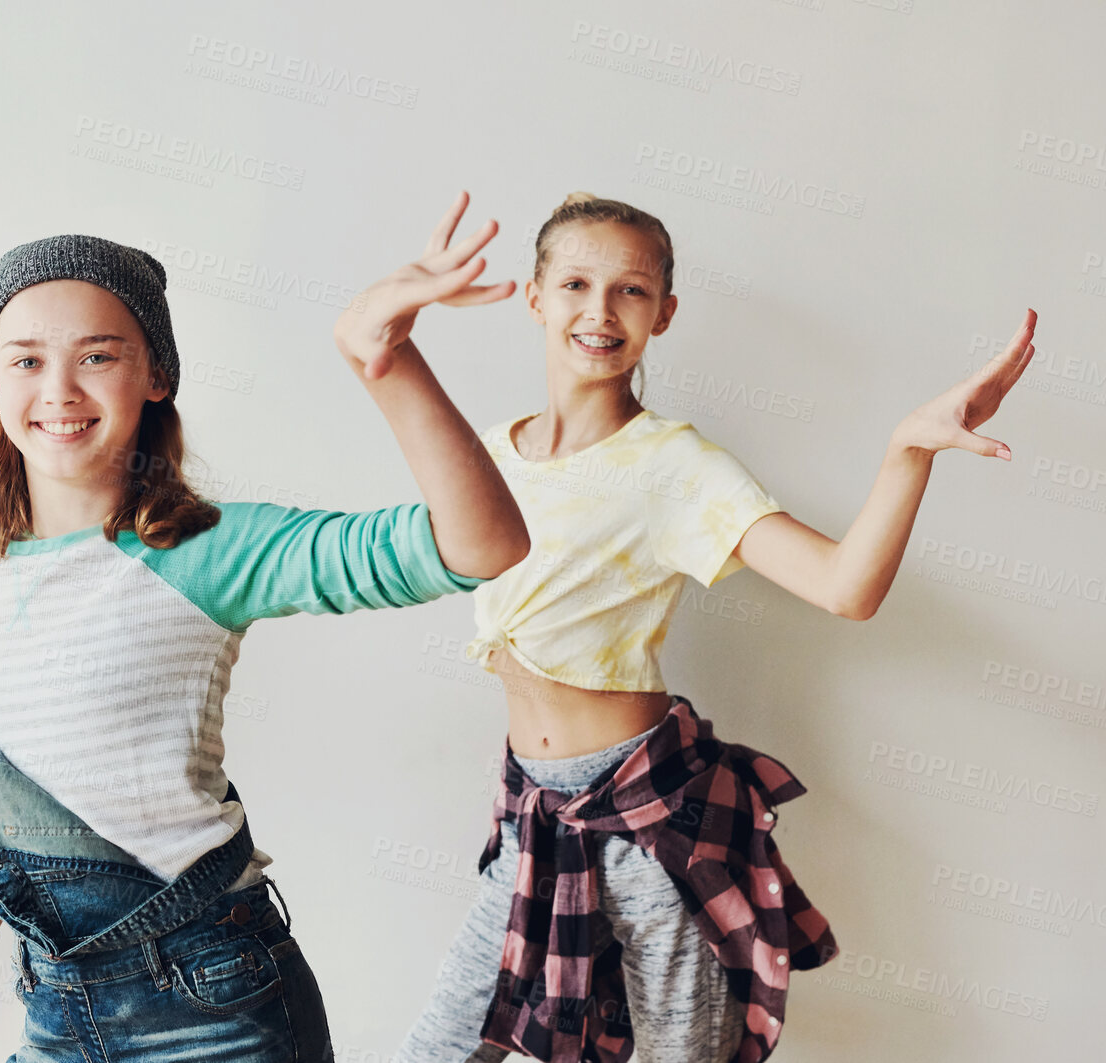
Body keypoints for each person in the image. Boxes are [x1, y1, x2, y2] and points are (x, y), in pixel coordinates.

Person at [397, 192, 1038, 1063]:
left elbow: (846, 587)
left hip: (651, 820)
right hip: (532, 818)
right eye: (578, 283)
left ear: (664, 313)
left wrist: (907, 452)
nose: (600, 310)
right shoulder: (492, 451)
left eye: (631, 290)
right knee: (436, 1049)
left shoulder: (676, 467)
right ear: (535, 296)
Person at [0, 198, 533, 1062]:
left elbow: (483, 543)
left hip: (215, 1010)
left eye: (98, 355)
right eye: (26, 360)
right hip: (55, 1012)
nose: (58, 390)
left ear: (154, 375)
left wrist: (387, 362)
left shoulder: (208, 548)